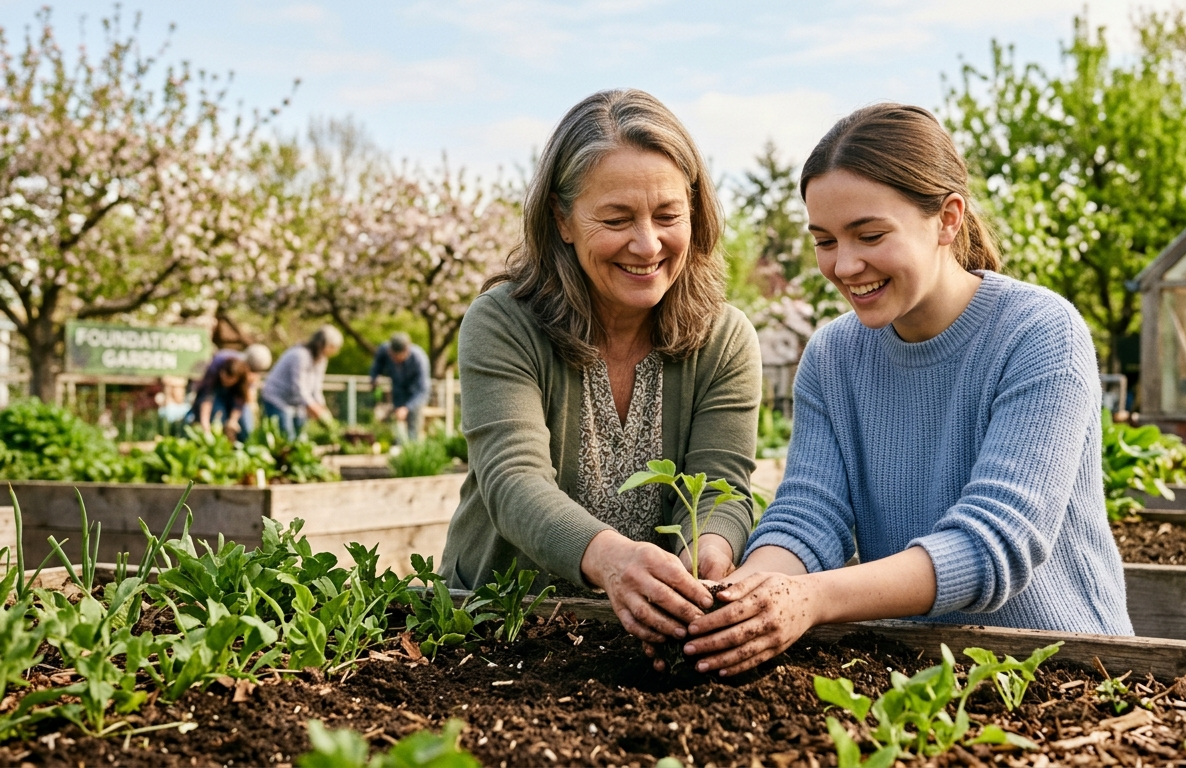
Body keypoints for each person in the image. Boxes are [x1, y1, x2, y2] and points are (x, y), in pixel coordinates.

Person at [682, 104, 1133, 678]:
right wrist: (736, 599)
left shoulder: (1040, 333)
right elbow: (807, 516)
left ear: (947, 219)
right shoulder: (833, 356)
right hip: (914, 676)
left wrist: (813, 598)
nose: (845, 265)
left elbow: (994, 543)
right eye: (825, 241)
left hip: (1067, 672)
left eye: (869, 235)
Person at [438, 89, 762, 650]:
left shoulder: (724, 339)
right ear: (562, 219)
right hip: (494, 628)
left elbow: (719, 486)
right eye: (616, 219)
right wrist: (610, 557)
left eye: (668, 216)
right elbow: (513, 479)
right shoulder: (504, 323)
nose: (647, 244)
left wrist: (707, 552)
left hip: (642, 639)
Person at [259, 326, 342, 437]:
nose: (335, 351)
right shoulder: (300, 355)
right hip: (277, 399)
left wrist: (322, 408)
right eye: (332, 347)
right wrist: (313, 407)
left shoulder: (322, 360)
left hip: (296, 403)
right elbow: (298, 388)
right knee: (286, 436)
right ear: (323, 344)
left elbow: (316, 388)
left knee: (300, 436)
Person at [186, 343, 272, 441]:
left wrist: (233, 420)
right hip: (217, 393)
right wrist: (205, 426)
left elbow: (241, 399)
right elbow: (206, 396)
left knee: (246, 427)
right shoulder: (219, 362)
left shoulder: (246, 377)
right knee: (218, 416)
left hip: (234, 397)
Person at [369, 332, 431, 441]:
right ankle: (397, 444)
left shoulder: (419, 359)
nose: (395, 360)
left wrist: (407, 408)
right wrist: (374, 378)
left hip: (414, 396)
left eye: (398, 357)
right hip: (397, 392)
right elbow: (376, 365)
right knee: (395, 428)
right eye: (392, 356)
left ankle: (412, 447)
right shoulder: (384, 350)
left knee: (413, 429)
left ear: (407, 351)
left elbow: (423, 390)